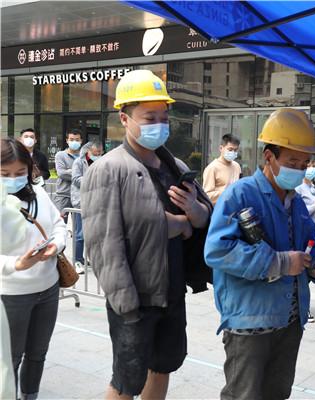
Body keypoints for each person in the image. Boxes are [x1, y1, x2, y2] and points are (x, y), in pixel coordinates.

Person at [80, 70, 213, 400]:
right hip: (135, 296)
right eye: (149, 117)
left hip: (171, 288)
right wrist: (124, 304)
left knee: (164, 365)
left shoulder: (175, 165)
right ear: (125, 118)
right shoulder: (108, 169)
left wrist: (194, 214)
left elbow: (204, 217)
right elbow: (103, 243)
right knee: (127, 380)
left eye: (164, 117)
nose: (159, 125)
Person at [204, 108, 315, 400]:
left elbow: (307, 245)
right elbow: (217, 250)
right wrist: (280, 262)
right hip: (250, 321)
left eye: (304, 163)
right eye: (292, 162)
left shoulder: (297, 203)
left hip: (290, 320)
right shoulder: (240, 194)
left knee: (278, 393)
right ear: (269, 156)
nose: (300, 170)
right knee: (244, 395)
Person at [1, 138, 68, 400]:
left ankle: (30, 395)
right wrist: (16, 264)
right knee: (10, 358)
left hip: (47, 288)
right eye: (5, 174)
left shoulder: (39, 193)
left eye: (20, 172)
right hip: (10, 294)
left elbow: (58, 225)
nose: (13, 179)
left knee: (38, 353)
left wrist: (56, 245)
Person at [295, 158, 315, 323]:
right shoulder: (298, 188)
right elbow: (299, 213)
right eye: (308, 166)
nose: (311, 168)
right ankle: (302, 308)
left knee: (309, 267)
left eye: (313, 166)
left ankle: (303, 306)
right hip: (304, 230)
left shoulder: (313, 187)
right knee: (304, 269)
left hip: (314, 229)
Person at [70, 141, 103, 274]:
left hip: (96, 202)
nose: (98, 155)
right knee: (80, 234)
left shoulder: (102, 162)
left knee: (93, 234)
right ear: (88, 151)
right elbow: (76, 179)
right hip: (81, 202)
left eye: (100, 153)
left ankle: (85, 258)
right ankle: (77, 260)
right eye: (95, 153)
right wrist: (93, 180)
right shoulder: (79, 162)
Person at [203, 134, 242, 204]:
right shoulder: (212, 168)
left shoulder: (237, 166)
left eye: (235, 150)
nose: (233, 152)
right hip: (219, 208)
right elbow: (207, 195)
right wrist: (228, 192)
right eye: (230, 149)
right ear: (221, 148)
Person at [54, 129, 82, 220]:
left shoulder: (84, 157)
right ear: (67, 140)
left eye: (77, 140)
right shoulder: (60, 155)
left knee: (79, 225)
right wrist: (79, 174)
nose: (74, 142)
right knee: (60, 222)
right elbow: (61, 173)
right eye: (71, 139)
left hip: (79, 196)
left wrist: (69, 171)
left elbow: (89, 173)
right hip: (63, 195)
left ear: (81, 141)